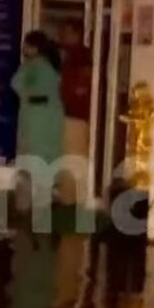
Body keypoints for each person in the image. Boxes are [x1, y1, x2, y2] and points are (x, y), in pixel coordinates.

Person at [11, 31, 65, 216]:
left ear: (33, 47)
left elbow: (16, 85)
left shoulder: (31, 66)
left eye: (26, 44)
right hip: (51, 119)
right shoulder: (53, 66)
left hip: (33, 120)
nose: (23, 48)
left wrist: (27, 95)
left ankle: (27, 207)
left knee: (29, 165)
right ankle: (47, 199)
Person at [57, 20, 92, 206]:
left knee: (74, 156)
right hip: (70, 113)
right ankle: (68, 195)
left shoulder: (81, 56)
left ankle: (73, 197)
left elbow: (84, 81)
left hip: (76, 115)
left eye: (66, 31)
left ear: (76, 33)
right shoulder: (70, 56)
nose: (62, 35)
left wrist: (77, 91)